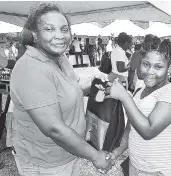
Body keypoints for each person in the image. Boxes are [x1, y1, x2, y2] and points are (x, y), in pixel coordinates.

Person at [10, 3, 113, 176]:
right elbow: (54, 128)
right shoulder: (31, 68)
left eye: (64, 29)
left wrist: (97, 82)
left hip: (68, 154)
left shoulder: (60, 58)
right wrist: (95, 156)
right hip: (46, 164)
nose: (59, 36)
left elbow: (71, 88)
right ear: (35, 34)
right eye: (49, 29)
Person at [99, 38, 171, 175]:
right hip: (137, 167)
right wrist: (116, 153)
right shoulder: (139, 92)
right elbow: (131, 129)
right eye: (146, 64)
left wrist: (124, 96)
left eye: (158, 67)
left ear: (169, 68)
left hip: (163, 169)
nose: (150, 71)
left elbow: (148, 131)